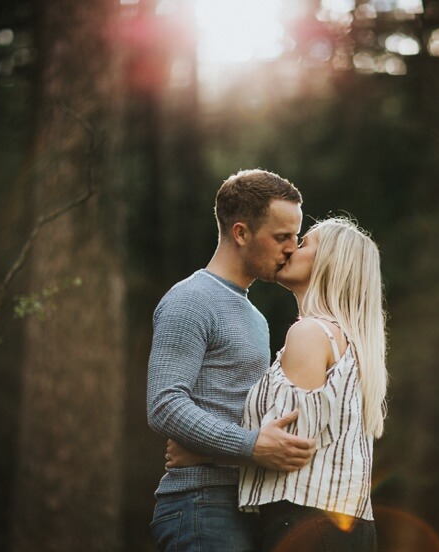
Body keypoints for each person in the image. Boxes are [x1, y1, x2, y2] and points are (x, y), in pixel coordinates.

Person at [171, 217, 387, 551]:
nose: (290, 249)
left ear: (329, 263)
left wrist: (201, 453)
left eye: (303, 245)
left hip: (309, 526)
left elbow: (286, 447)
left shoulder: (310, 334)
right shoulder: (348, 343)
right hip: (342, 527)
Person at [147, 169, 319, 552]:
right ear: (241, 233)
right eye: (282, 237)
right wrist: (251, 445)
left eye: (296, 236)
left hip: (243, 502)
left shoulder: (254, 316)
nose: (292, 248)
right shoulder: (190, 300)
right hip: (199, 504)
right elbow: (164, 405)